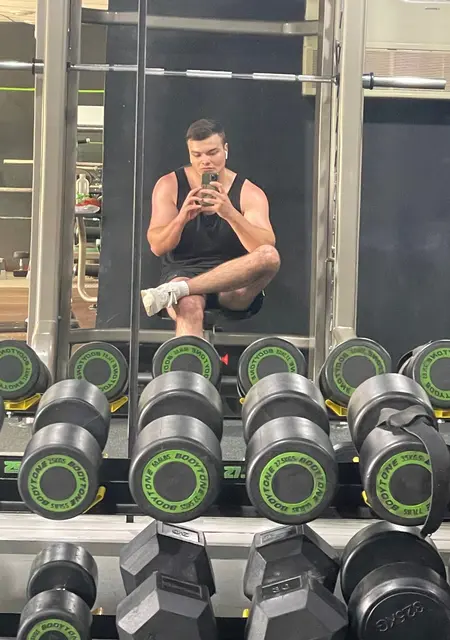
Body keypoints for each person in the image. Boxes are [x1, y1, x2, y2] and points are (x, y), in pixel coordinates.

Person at [141, 118, 280, 337]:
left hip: (232, 281)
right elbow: (157, 246)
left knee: (270, 256)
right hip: (183, 272)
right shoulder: (169, 185)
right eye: (197, 155)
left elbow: (264, 247)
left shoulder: (249, 192)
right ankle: (188, 359)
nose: (205, 161)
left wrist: (230, 213)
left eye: (212, 152)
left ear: (226, 150)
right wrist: (181, 219)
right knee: (188, 305)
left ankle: (179, 291)